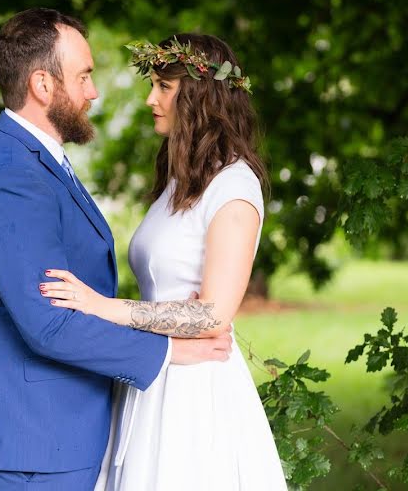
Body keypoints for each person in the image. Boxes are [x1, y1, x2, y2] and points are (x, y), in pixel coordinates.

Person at [0, 8, 235, 491]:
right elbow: (49, 323)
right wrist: (169, 352)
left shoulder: (35, 160)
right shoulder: (11, 176)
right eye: (83, 76)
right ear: (43, 85)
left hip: (58, 436)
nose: (93, 91)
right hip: (33, 444)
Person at [39, 34, 289, 489]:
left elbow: (212, 315)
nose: (150, 99)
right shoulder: (181, 178)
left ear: (200, 97)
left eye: (163, 87)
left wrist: (102, 306)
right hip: (155, 370)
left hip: (196, 389)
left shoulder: (234, 187)